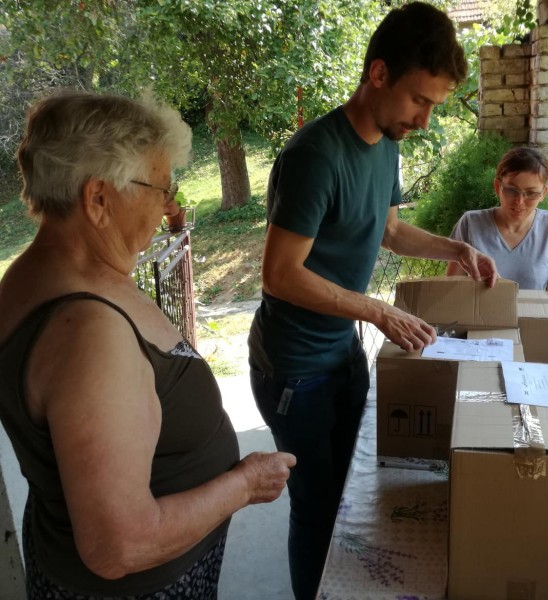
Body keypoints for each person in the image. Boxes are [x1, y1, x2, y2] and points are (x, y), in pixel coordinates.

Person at [0, 89, 296, 600]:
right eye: (159, 188)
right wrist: (244, 485)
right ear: (98, 199)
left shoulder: (39, 276)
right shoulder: (89, 334)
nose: (169, 206)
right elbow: (119, 545)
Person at [247, 3, 498, 598]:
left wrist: (452, 250)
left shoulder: (387, 142)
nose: (427, 119)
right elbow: (280, 275)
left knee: (354, 487)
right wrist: (379, 311)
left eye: (435, 105)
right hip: (295, 367)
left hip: (341, 350)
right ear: (379, 75)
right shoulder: (316, 155)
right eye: (421, 101)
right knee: (316, 504)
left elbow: (386, 228)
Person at [446, 146, 548, 314]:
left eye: (531, 193)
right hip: (478, 322)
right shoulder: (471, 223)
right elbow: (450, 283)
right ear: (497, 187)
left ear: (543, 193)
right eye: (511, 190)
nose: (520, 202)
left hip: (534, 322)